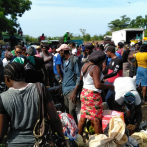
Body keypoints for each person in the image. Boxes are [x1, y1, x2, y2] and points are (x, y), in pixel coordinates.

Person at [0, 62, 66, 147]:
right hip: (40, 142)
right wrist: (62, 138)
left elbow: (2, 131)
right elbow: (55, 119)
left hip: (15, 143)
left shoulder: (3, 97)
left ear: (7, 78)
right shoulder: (40, 88)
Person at [78, 50, 114, 136]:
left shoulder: (84, 65)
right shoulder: (95, 68)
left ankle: (77, 140)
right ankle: (99, 143)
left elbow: (80, 79)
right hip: (93, 95)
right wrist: (110, 86)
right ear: (100, 61)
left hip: (84, 93)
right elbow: (97, 85)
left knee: (83, 118)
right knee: (96, 120)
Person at [61, 44, 81, 124]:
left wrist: (75, 92)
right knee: (67, 111)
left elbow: (79, 77)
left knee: (71, 110)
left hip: (72, 89)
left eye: (60, 51)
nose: (59, 53)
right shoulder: (64, 61)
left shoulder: (74, 60)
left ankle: (76, 128)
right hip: (65, 89)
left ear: (63, 51)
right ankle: (71, 128)